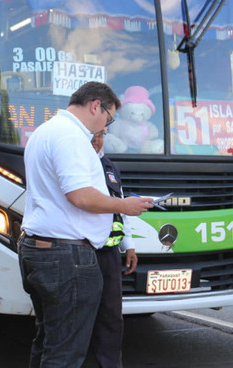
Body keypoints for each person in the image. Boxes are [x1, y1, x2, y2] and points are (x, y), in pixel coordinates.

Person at [18, 81, 153, 368]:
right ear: (95, 106)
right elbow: (79, 195)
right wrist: (124, 205)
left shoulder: (46, 130)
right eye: (108, 117)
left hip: (42, 248)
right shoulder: (71, 136)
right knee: (66, 352)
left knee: (48, 342)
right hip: (67, 257)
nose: (106, 126)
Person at [89, 130, 138, 368]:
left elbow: (121, 209)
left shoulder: (109, 167)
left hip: (109, 253)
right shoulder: (76, 165)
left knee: (111, 317)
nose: (96, 141)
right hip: (83, 251)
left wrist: (128, 246)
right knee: (78, 318)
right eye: (91, 136)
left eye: (100, 136)